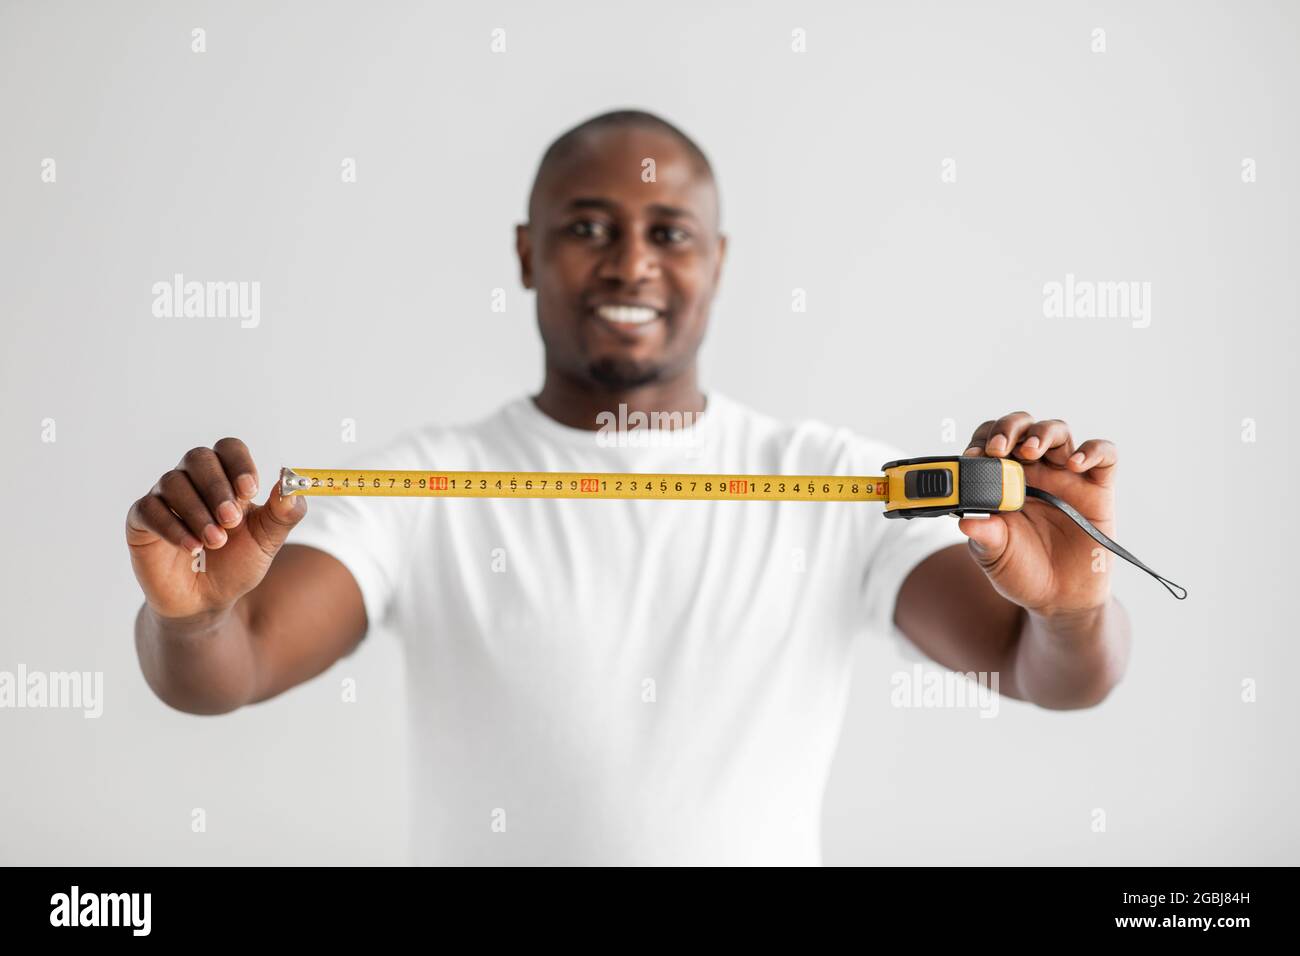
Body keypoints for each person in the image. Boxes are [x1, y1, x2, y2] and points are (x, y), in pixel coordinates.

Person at [126, 110, 1130, 866]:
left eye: (670, 231)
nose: (631, 262)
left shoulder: (832, 480)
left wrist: (1073, 611)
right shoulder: (428, 483)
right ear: (525, 253)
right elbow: (233, 667)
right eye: (588, 226)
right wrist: (192, 620)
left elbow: (1036, 667)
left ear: (719, 262)